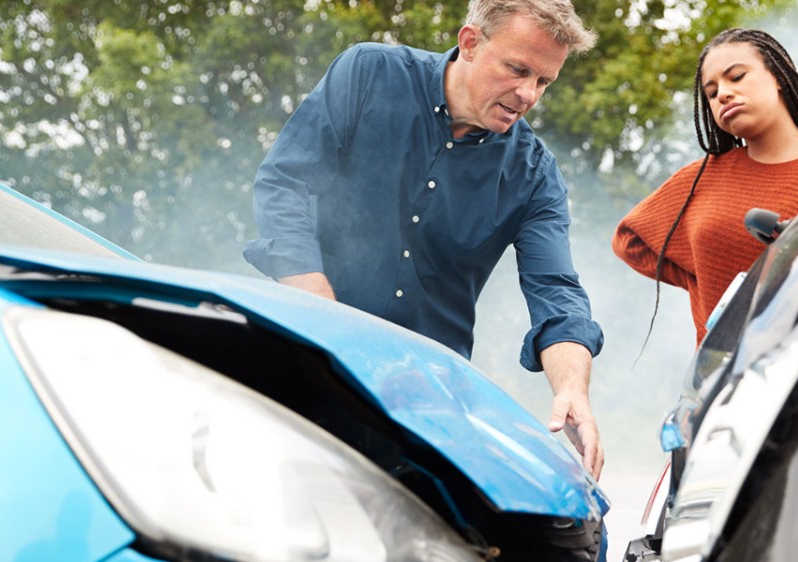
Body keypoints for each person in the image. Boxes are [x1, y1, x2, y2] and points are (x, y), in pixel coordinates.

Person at [244, 0, 605, 479]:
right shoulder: (368, 73)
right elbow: (283, 185)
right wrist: (329, 324)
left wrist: (573, 390)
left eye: (543, 81)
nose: (528, 94)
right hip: (301, 369)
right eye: (518, 70)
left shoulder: (534, 175)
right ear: (470, 43)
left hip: (420, 417)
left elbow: (557, 293)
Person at [613, 28, 798, 345]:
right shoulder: (702, 177)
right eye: (712, 92)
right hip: (727, 369)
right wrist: (705, 281)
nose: (723, 94)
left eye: (737, 77)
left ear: (778, 76)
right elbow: (629, 240)